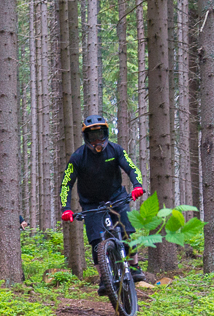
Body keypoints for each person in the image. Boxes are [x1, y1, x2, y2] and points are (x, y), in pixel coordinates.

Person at [59, 115, 153, 291]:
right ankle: (104, 278)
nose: (97, 141)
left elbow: (131, 168)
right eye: (93, 136)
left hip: (117, 197)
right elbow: (66, 184)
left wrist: (137, 185)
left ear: (106, 134)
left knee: (126, 232)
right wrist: (66, 208)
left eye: (100, 135)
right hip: (91, 203)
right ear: (86, 137)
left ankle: (134, 266)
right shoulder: (78, 157)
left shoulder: (116, 150)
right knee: (96, 241)